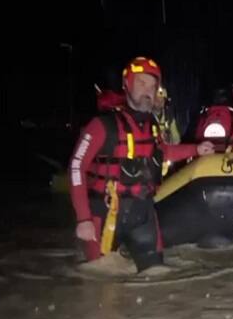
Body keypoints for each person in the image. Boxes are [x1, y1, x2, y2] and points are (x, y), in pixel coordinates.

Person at [69, 56, 214, 275]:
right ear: (126, 84)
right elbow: (76, 167)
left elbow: (163, 152)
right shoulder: (101, 125)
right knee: (98, 282)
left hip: (142, 213)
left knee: (157, 276)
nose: (148, 90)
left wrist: (196, 150)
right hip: (105, 214)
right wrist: (83, 219)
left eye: (153, 86)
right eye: (142, 83)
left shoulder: (152, 125)